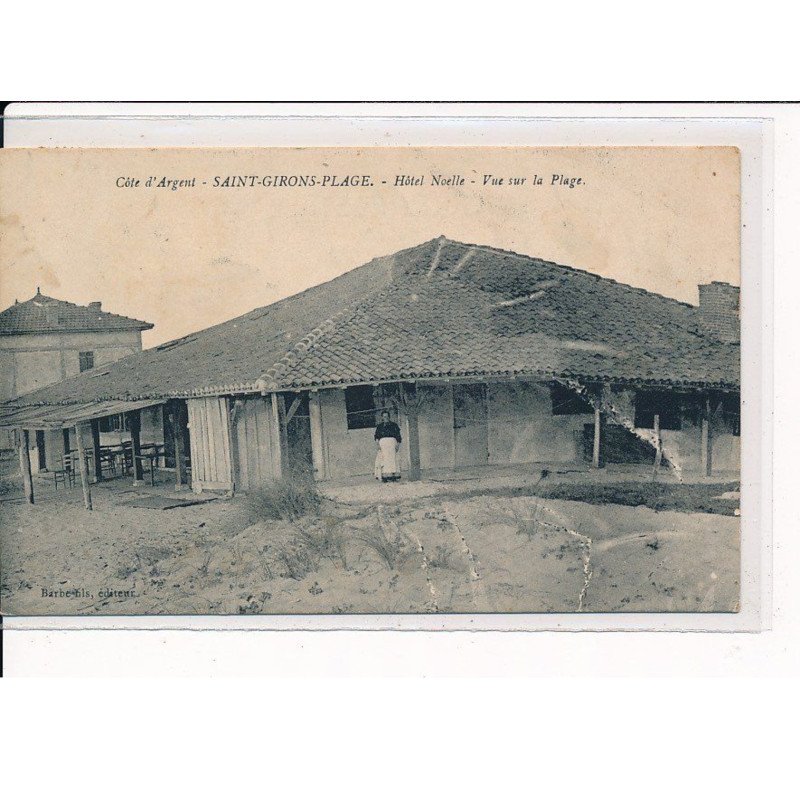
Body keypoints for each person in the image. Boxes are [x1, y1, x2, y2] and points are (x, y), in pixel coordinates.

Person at [374, 409, 402, 482]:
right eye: (384, 416)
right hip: (383, 446)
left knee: (392, 460)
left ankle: (393, 476)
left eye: (387, 416)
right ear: (382, 417)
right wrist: (378, 445)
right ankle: (384, 476)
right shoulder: (379, 426)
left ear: (389, 417)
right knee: (384, 460)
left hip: (392, 445)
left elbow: (398, 436)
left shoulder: (394, 425)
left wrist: (398, 445)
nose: (385, 418)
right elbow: (376, 437)